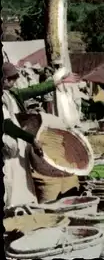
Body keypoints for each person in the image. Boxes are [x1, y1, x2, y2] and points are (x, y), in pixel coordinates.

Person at [2, 62, 80, 207]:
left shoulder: (10, 93)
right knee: (9, 175)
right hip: (7, 142)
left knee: (20, 173)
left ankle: (22, 205)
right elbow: (6, 125)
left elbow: (33, 90)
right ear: (4, 79)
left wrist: (57, 83)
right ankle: (10, 208)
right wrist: (31, 138)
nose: (13, 82)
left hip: (17, 139)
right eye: (11, 79)